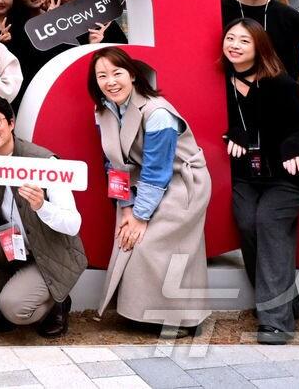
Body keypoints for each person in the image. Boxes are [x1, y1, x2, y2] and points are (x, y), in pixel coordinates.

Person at [88, 48, 210, 334]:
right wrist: (126, 208)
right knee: (127, 237)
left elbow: (158, 170)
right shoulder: (103, 110)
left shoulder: (158, 112)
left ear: (132, 75)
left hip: (181, 182)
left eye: (117, 73)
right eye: (102, 76)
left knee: (149, 242)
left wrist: (140, 216)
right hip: (138, 182)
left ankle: (179, 318)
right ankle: (139, 313)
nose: (110, 81)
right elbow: (112, 162)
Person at [0, 93, 85, 340]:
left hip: (50, 253)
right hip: (16, 247)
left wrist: (42, 206)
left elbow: (73, 224)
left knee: (16, 309)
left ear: (11, 123)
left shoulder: (44, 161)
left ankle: (57, 301)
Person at [222, 19, 299, 345]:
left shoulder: (280, 84)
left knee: (268, 221)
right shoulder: (219, 84)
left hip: (285, 177)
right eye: (230, 38)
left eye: (244, 41)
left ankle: (276, 321)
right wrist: (233, 132)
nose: (234, 45)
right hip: (247, 176)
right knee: (247, 221)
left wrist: (292, 145)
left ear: (259, 47)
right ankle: (286, 301)